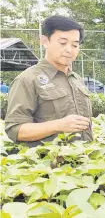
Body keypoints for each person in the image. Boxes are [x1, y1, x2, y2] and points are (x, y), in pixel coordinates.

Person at [5, 15, 93, 147]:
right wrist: (58, 125)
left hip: (85, 161)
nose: (69, 50)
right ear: (45, 41)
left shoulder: (76, 79)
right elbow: (15, 130)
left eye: (75, 45)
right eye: (63, 43)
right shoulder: (27, 79)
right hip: (48, 164)